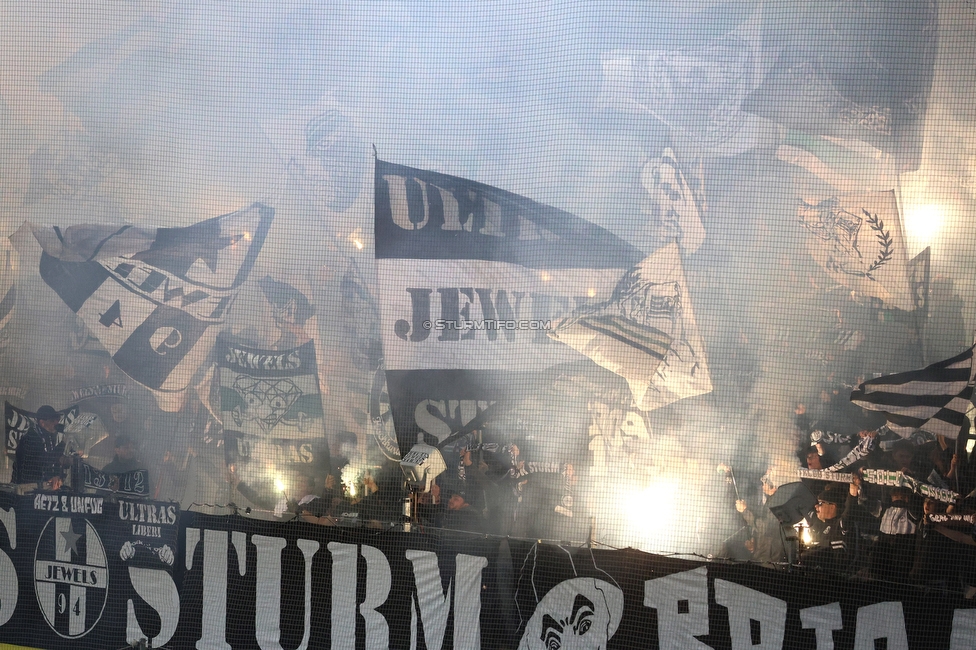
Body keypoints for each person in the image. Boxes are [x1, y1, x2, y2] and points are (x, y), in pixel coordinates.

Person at [13, 405, 67, 489]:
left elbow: (54, 461)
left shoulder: (49, 436)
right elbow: (44, 461)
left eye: (56, 420)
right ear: (42, 423)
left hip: (41, 488)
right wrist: (63, 444)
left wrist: (56, 475)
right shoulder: (31, 438)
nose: (56, 423)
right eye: (52, 421)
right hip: (25, 488)